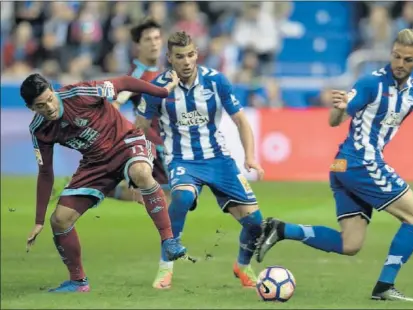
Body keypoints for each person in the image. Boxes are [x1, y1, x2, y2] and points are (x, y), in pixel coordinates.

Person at [254, 29, 413, 301]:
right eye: (396, 56)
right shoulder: (372, 84)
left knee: (350, 244)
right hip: (360, 163)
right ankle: (384, 286)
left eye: (407, 59)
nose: (399, 64)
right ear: (391, 53)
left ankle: (282, 229)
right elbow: (336, 120)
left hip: (343, 167)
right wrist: (339, 107)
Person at [22, 73, 187, 292]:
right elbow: (45, 172)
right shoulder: (39, 129)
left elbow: (125, 82)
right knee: (59, 220)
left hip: (126, 142)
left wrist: (163, 91)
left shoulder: (80, 93)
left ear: (53, 89)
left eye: (50, 99)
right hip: (95, 163)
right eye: (41, 106)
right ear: (31, 108)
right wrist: (39, 220)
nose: (49, 107)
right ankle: (78, 282)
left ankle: (169, 241)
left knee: (141, 172)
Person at [136, 31, 265, 289]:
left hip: (219, 160)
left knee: (255, 224)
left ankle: (242, 265)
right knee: (182, 197)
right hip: (182, 159)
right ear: (170, 58)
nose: (186, 61)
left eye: (191, 55)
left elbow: (240, 120)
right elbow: (139, 128)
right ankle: (165, 267)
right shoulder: (157, 88)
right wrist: (141, 165)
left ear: (197, 54)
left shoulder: (216, 82)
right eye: (180, 56)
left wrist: (250, 156)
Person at [107, 18, 169, 204]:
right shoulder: (136, 75)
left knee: (164, 198)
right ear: (138, 45)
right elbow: (114, 104)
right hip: (153, 143)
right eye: (148, 39)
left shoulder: (160, 69)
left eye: (157, 38)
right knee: (170, 199)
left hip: (168, 139)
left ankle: (103, 189)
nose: (154, 43)